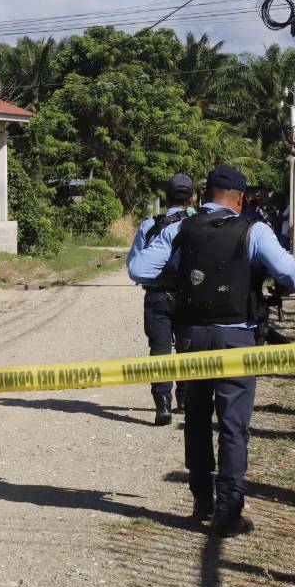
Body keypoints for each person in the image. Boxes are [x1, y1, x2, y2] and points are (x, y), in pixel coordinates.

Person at [128, 165, 295, 537]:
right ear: (240, 199)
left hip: (192, 336)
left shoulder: (180, 229)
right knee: (233, 426)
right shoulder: (254, 230)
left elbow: (140, 270)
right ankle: (228, 512)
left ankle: (201, 501)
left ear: (205, 196)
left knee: (196, 419)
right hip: (237, 339)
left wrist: (179, 270)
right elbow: (294, 277)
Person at [126, 173, 195, 426]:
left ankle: (162, 403)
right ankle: (185, 399)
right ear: (192, 198)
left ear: (166, 197)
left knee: (159, 350)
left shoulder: (150, 225)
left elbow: (134, 263)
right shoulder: (200, 223)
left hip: (157, 296)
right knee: (188, 348)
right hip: (191, 296)